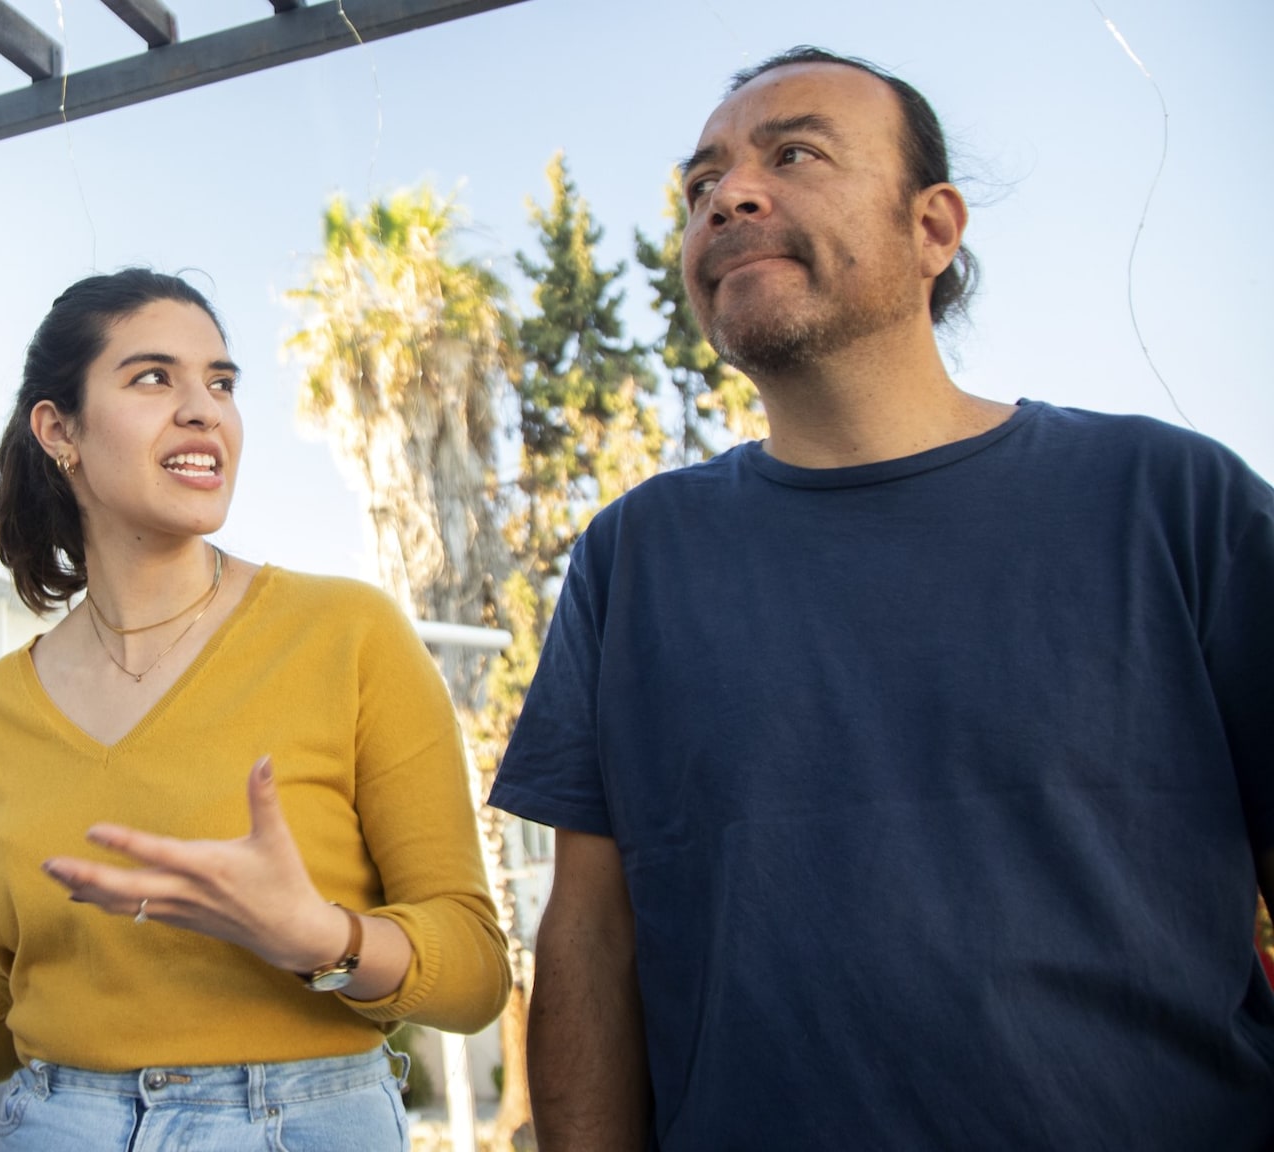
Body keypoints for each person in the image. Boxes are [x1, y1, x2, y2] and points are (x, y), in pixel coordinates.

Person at [490, 46, 1274, 1150]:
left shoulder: (1170, 502)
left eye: (794, 153)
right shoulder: (633, 558)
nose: (729, 195)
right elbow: (589, 937)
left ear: (934, 229)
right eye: (698, 184)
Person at [0, 269, 511, 1152]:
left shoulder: (349, 634)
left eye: (220, 382)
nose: (203, 409)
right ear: (59, 430)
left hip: (303, 1125)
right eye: (152, 378)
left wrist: (318, 938)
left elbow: (476, 970)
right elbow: (15, 1002)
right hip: (54, 1125)